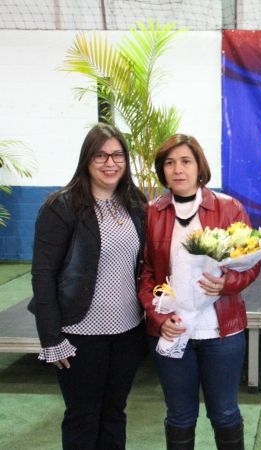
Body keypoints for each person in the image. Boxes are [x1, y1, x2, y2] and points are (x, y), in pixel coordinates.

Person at [29, 123, 147, 449]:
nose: (110, 163)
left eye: (117, 155)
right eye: (100, 155)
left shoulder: (135, 204)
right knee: (83, 416)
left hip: (127, 333)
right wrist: (52, 338)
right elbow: (43, 275)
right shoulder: (61, 207)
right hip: (80, 335)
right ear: (87, 160)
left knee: (114, 413)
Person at [138, 134, 260, 450]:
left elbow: (251, 264)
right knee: (180, 416)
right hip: (172, 331)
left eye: (185, 161)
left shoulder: (229, 207)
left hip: (223, 333)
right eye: (169, 162)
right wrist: (157, 316)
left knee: (224, 413)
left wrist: (227, 283)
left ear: (198, 165)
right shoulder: (151, 212)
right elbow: (145, 274)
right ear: (162, 170)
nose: (178, 169)